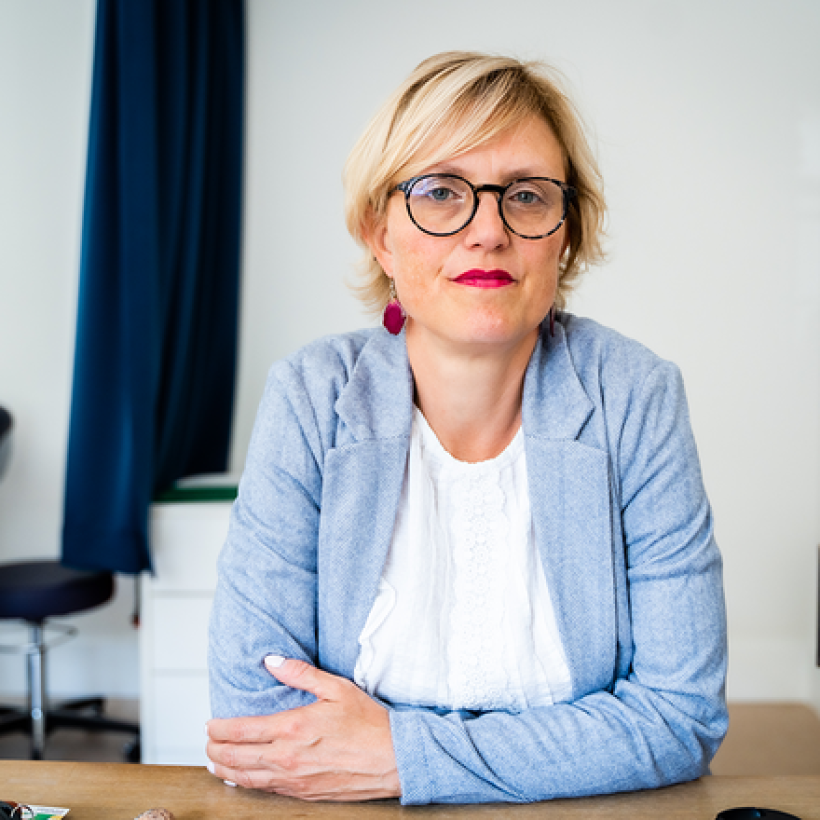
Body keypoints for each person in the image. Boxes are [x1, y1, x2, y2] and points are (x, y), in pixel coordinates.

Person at [206, 51, 728, 805]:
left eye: (524, 195)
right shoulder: (311, 397)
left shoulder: (635, 395)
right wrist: (576, 742)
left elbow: (680, 718)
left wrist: (403, 755)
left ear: (566, 234)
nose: (488, 230)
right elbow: (256, 724)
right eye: (442, 192)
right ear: (380, 234)